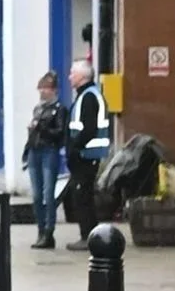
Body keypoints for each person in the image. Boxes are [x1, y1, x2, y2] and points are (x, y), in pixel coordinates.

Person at [62, 53, 112, 241]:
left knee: (83, 198)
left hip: (86, 156)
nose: (69, 77)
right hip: (85, 155)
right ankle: (88, 235)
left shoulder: (88, 97)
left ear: (82, 76)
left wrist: (75, 150)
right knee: (82, 197)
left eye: (72, 73)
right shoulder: (87, 95)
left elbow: (88, 129)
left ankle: (89, 237)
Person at [23, 70, 70, 248]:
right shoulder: (39, 108)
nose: (42, 92)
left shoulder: (60, 109)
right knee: (36, 194)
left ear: (54, 90)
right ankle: (40, 230)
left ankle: (49, 231)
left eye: (45, 89)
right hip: (35, 151)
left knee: (48, 194)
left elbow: (59, 133)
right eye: (40, 88)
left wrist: (41, 128)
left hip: (49, 151)